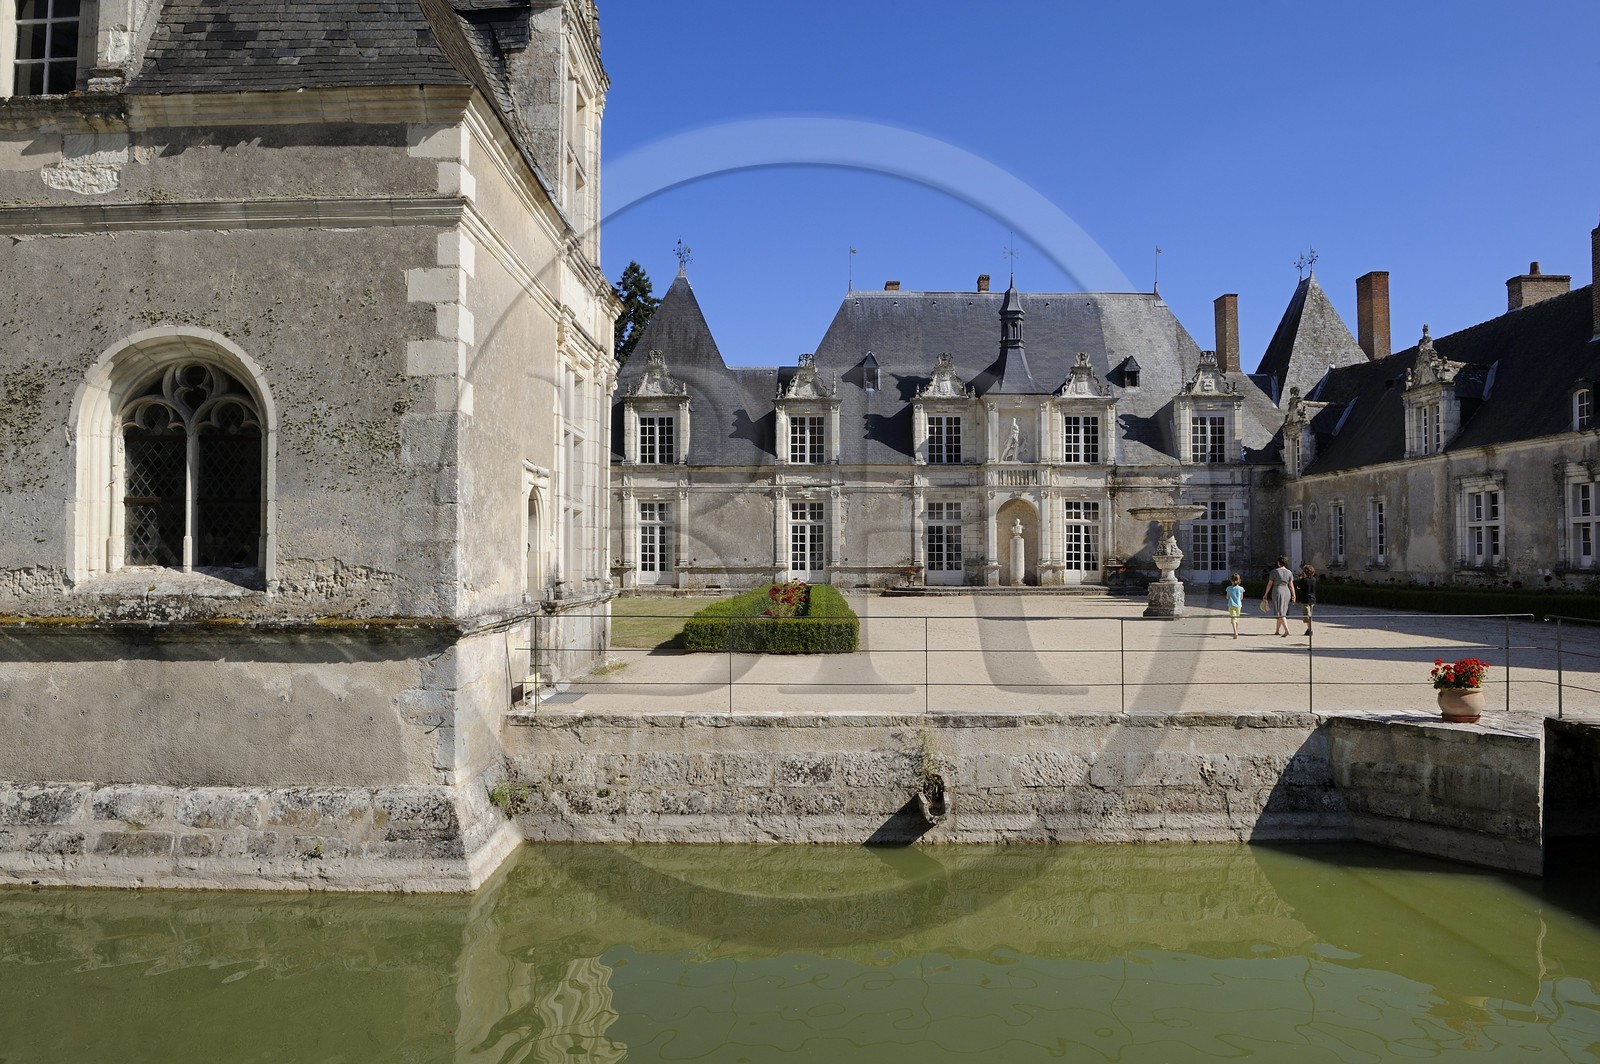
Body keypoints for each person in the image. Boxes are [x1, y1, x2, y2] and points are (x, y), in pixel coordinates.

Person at [1262, 555, 1296, 637]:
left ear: (1278, 562)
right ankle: (1277, 631)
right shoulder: (1289, 572)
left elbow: (1269, 584)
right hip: (1287, 591)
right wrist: (1294, 595)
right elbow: (1291, 585)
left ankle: (1286, 630)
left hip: (1277, 590)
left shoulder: (1274, 572)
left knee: (1280, 612)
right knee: (1281, 611)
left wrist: (1265, 594)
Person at [1299, 564, 1318, 635]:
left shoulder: (1303, 580)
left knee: (1307, 615)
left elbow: (1298, 587)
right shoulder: (1314, 579)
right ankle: (1308, 629)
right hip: (1312, 599)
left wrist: (1302, 578)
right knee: (1310, 614)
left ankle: (1310, 629)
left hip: (1305, 599)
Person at [1225, 573, 1244, 639]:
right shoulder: (1241, 588)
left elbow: (1227, 597)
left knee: (1233, 618)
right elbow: (1241, 598)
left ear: (1231, 580)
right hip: (1238, 605)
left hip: (1231, 605)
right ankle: (1236, 631)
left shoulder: (1228, 588)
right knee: (1237, 618)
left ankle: (1235, 632)